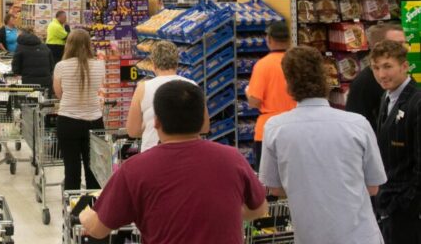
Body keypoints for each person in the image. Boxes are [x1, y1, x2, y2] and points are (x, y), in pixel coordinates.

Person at [80, 80, 268, 243]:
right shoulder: (232, 158)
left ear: (157, 122)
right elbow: (259, 209)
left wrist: (83, 214)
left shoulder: (135, 170)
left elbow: (98, 229)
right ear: (203, 120)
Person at [259, 46, 387, 244]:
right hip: (360, 236)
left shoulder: (276, 128)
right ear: (325, 78)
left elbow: (275, 189)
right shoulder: (357, 124)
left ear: (288, 83)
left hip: (310, 236)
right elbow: (373, 187)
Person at [369, 40, 421, 244]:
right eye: (376, 68)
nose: (382, 74)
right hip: (389, 203)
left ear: (405, 66)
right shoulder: (386, 97)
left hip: (407, 210)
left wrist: (407, 203)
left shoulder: (417, 102)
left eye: (387, 66)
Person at [54, 29, 105, 190]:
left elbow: (59, 93)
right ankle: (93, 209)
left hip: (68, 122)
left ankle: (73, 212)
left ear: (69, 45)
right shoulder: (99, 65)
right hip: (95, 122)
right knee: (94, 171)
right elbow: (99, 90)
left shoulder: (61, 66)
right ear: (89, 45)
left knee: (72, 170)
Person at [126, 40, 196, 152]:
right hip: (186, 153)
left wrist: (147, 124)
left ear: (153, 64)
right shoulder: (191, 85)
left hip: (152, 152)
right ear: (177, 63)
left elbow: (133, 131)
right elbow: (204, 127)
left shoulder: (143, 88)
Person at [246, 20, 296, 166]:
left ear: (269, 39)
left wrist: (248, 93)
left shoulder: (263, 65)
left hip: (268, 129)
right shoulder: (298, 62)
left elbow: (255, 101)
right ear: (289, 39)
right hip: (295, 127)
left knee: (268, 181)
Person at [347, 23, 406, 129]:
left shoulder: (403, 73)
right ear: (378, 46)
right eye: (396, 44)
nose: (403, 49)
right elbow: (356, 124)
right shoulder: (364, 83)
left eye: (403, 44)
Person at [12, 27, 54, 92]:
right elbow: (52, 66)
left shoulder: (20, 47)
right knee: (44, 100)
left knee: (30, 101)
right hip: (46, 84)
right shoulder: (45, 47)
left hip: (29, 84)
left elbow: (16, 68)